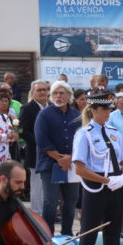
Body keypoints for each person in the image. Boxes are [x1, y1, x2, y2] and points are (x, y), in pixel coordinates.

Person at [72, 93, 123, 245]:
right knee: (89, 236)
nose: (108, 112)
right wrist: (107, 181)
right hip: (95, 188)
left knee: (113, 233)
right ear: (94, 111)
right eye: (104, 109)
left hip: (116, 186)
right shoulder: (84, 134)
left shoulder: (114, 133)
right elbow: (79, 168)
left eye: (110, 109)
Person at [34, 80, 81, 235]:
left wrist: (70, 158)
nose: (58, 96)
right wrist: (60, 159)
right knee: (50, 201)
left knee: (71, 201)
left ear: (69, 95)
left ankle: (67, 235)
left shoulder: (76, 114)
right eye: (55, 93)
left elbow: (81, 139)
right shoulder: (44, 114)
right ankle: (48, 236)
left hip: (71, 164)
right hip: (50, 164)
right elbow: (42, 140)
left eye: (61, 93)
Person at [19, 79, 50, 215]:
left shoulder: (52, 107)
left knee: (50, 186)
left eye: (44, 90)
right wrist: (39, 141)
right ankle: (37, 214)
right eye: (39, 90)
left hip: (53, 153)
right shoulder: (27, 108)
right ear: (32, 93)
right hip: (35, 153)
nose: (42, 92)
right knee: (37, 186)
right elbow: (22, 130)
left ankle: (49, 212)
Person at [0, 89, 18, 174]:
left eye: (0, 99)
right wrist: (7, 136)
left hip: (4, 164)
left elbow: (15, 136)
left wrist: (16, 124)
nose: (0, 102)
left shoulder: (4, 117)